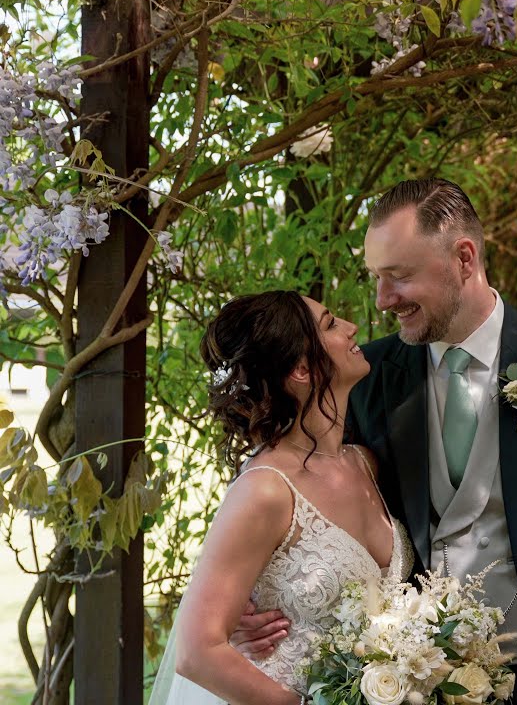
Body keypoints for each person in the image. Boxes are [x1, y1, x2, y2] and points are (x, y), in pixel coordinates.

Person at [235, 178, 517, 704]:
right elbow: (303, 480)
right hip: (422, 683)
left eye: (398, 277)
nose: (382, 300)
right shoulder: (368, 374)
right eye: (377, 278)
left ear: (464, 258)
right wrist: (248, 595)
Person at [149, 291, 412, 704]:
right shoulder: (266, 490)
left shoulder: (365, 464)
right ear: (302, 369)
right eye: (330, 324)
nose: (351, 327)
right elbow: (195, 651)